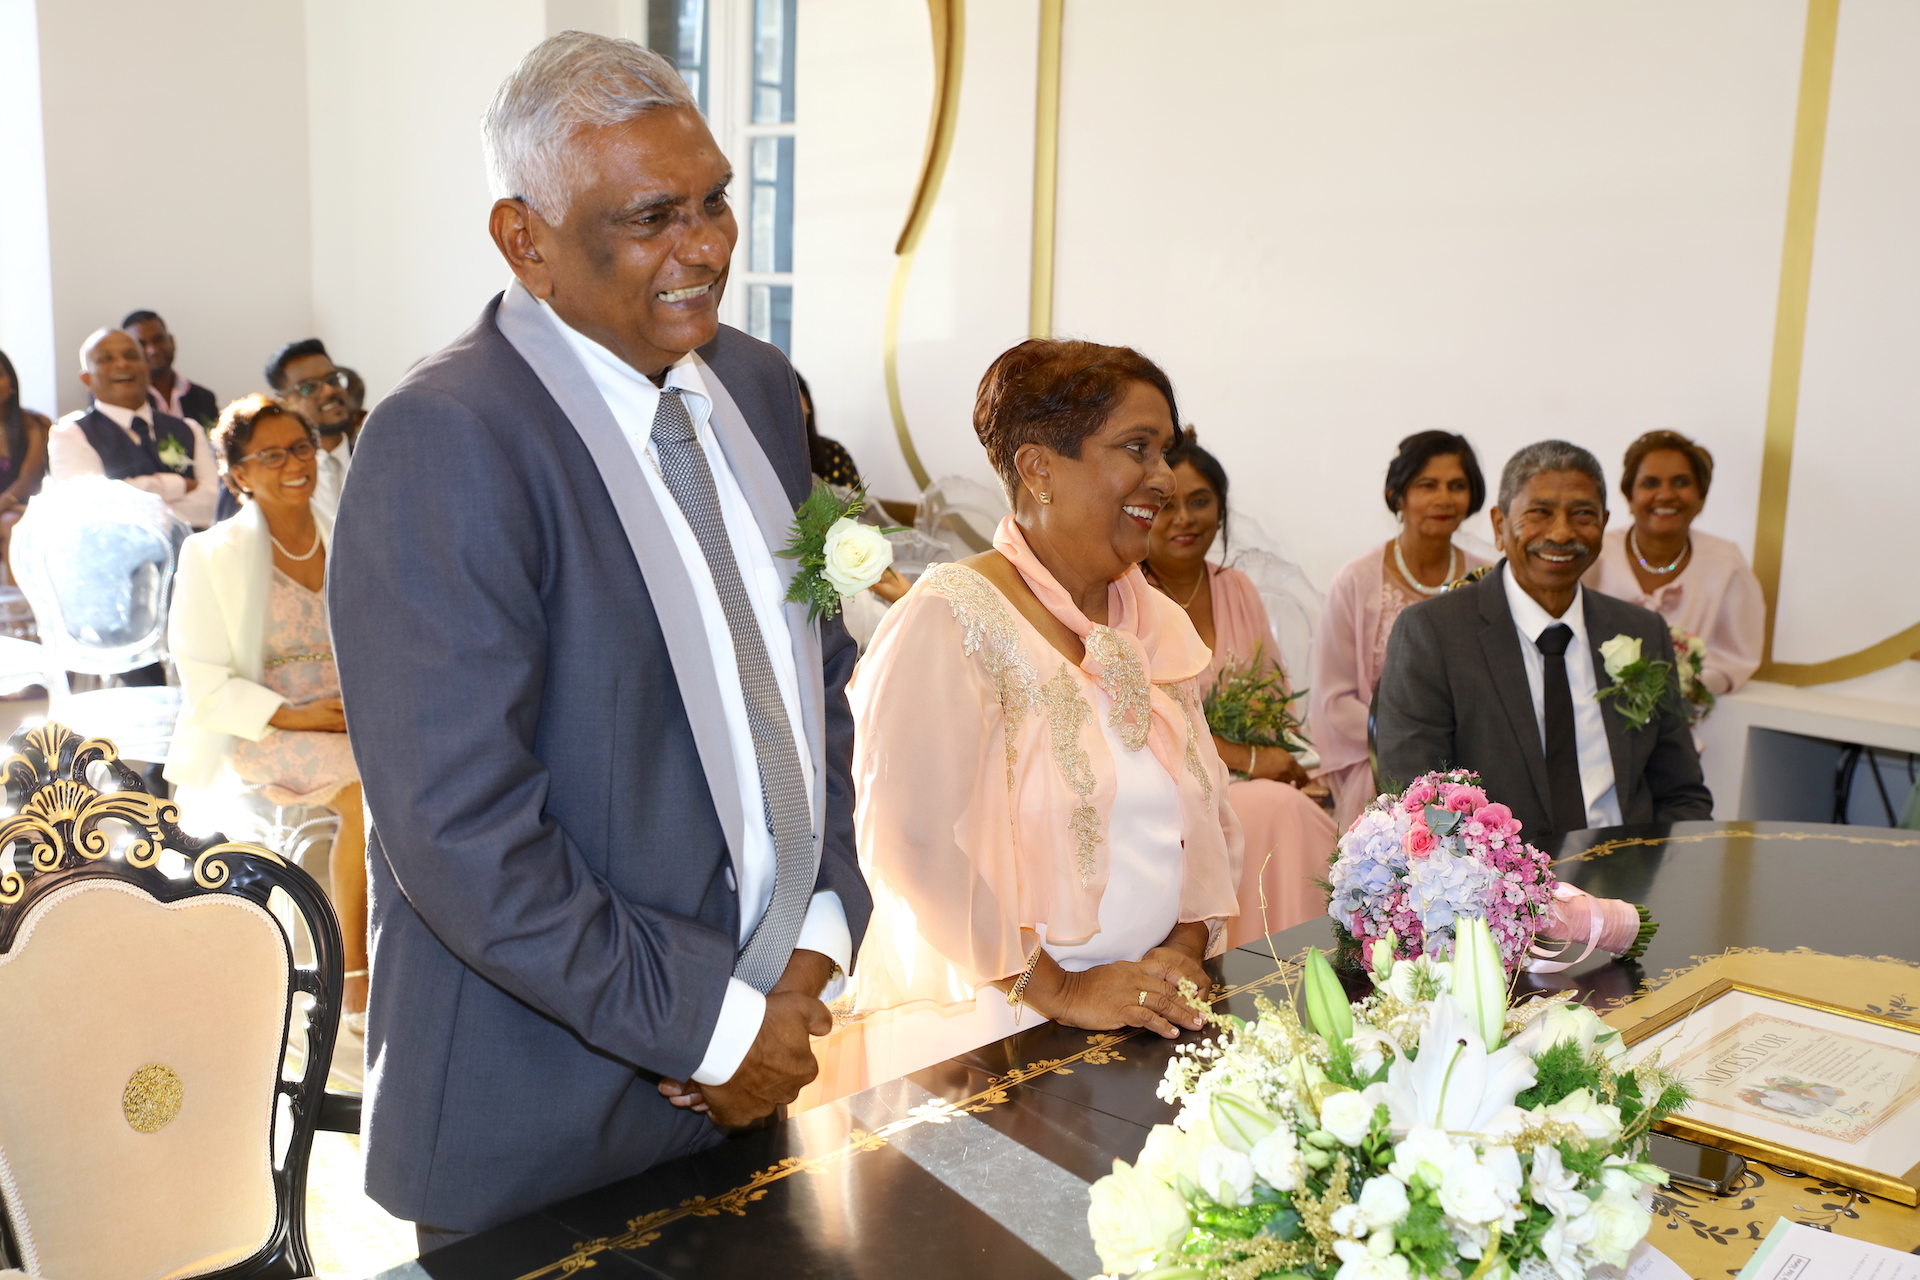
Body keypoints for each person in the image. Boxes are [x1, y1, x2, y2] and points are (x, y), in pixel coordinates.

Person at [324, 33, 870, 1245]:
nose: (707, 245)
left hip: (757, 1065)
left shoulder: (757, 387)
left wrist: (813, 935)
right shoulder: (448, 438)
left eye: (715, 199)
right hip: (542, 1118)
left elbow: (813, 683)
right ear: (525, 241)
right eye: (652, 217)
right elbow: (460, 829)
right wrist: (708, 1026)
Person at [834, 338, 1240, 1097]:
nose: (1163, 477)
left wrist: (1182, 951)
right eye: (1137, 449)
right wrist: (1064, 990)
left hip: (1141, 1018)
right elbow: (910, 841)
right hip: (994, 1032)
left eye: (1166, 451)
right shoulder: (954, 615)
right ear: (1039, 468)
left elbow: (1201, 818)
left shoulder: (1153, 621)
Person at [1374, 440, 1711, 839]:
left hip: (1627, 868)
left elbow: (1681, 793)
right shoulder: (1434, 633)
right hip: (1495, 874)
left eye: (1582, 514)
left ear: (1603, 524)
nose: (1562, 533)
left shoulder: (1641, 631)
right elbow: (1419, 805)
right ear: (1500, 525)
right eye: (1540, 512)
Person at [164, 394, 368, 1026]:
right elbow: (204, 680)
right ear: (238, 475)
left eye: (301, 448)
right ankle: (352, 974)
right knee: (364, 793)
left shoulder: (351, 534)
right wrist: (300, 715)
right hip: (266, 727)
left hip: (357, 715)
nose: (294, 465)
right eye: (271, 455)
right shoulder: (211, 555)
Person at [1143, 432, 1335, 944]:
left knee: (1298, 808)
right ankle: (1260, 959)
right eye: (1167, 504)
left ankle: (1312, 962)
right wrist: (1249, 761)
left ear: (1221, 510)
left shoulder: (1235, 587)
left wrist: (1285, 762)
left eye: (1200, 502)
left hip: (1249, 780)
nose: (1184, 519)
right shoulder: (1127, 598)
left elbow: (1275, 703)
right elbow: (1142, 723)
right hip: (1171, 788)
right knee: (1278, 807)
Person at [1312, 432, 1491, 833]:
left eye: (1456, 486)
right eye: (1428, 485)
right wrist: (1411, 739)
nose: (1444, 499)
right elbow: (1334, 701)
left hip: (1476, 760)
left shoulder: (1487, 580)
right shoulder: (1355, 583)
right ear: (1397, 494)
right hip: (1383, 761)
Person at [1584, 430, 1763, 700]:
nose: (1666, 495)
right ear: (1629, 497)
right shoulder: (1594, 554)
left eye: (1681, 482)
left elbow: (1736, 659)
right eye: (1650, 483)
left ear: (1701, 498)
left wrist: (1684, 687)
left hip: (1687, 716)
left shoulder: (1726, 564)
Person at [47, 327, 216, 530]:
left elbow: (214, 502)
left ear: (146, 369)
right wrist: (177, 485)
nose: (122, 364)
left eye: (131, 356)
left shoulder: (189, 429)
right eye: (106, 359)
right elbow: (89, 507)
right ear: (87, 379)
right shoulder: (70, 435)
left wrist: (131, 497)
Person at [266, 339, 355, 522]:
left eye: (332, 380)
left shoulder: (379, 460)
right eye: (309, 387)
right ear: (284, 403)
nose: (329, 391)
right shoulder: (275, 478)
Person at [122, 309, 219, 432]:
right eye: (141, 344)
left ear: (171, 341)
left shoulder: (204, 398)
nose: (152, 350)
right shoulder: (123, 400)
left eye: (158, 340)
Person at [0, 347, 51, 573]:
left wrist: (3, 505)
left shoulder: (34, 423)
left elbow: (28, 479)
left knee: (10, 522)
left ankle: (16, 596)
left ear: (11, 381)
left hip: (24, 507)